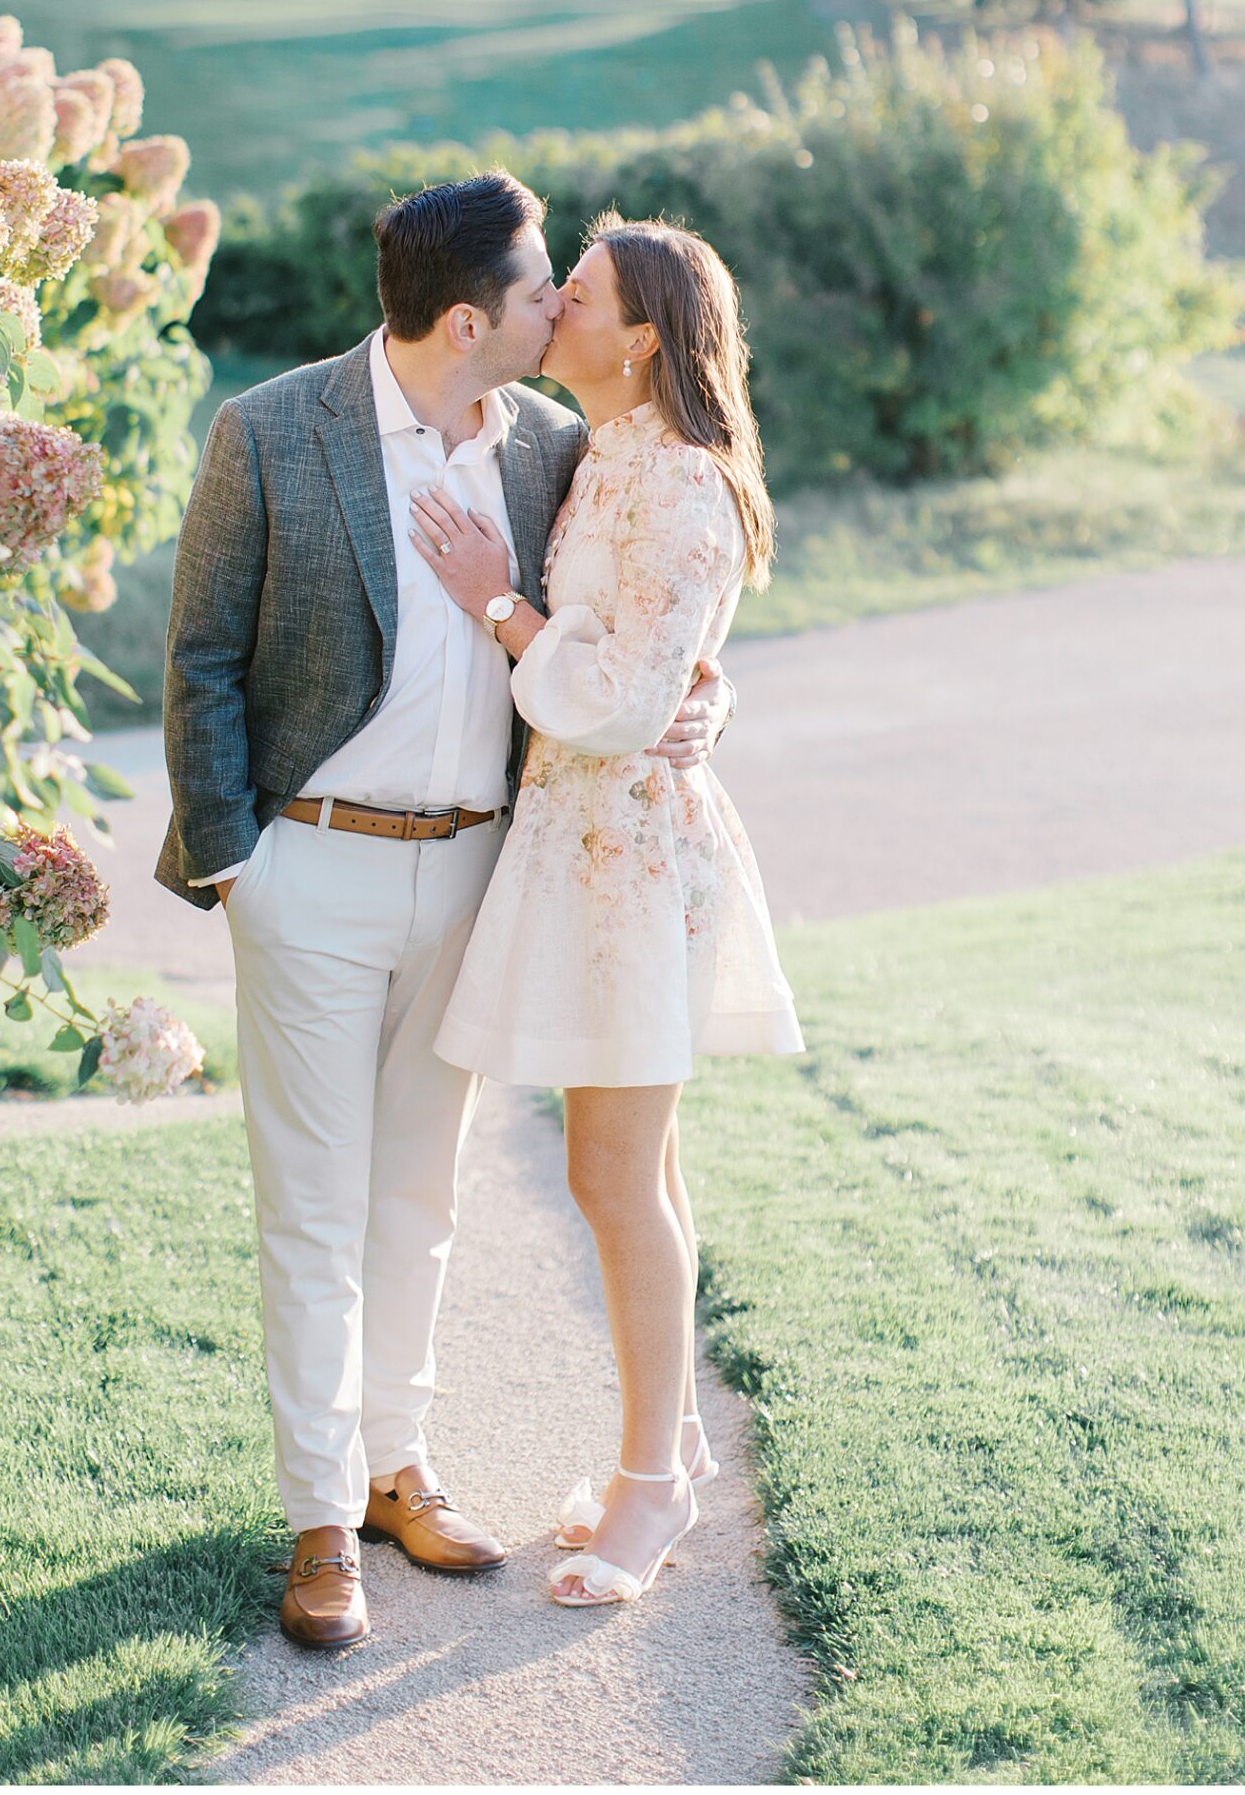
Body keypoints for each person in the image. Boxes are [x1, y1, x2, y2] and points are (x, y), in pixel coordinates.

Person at [156, 173, 736, 1650]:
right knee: (313, 1206)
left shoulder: (553, 447)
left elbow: (641, 619)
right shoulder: (271, 429)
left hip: (481, 871)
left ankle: (395, 1468)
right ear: (468, 319)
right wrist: (235, 864)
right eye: (543, 290)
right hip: (307, 869)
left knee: (420, 1196)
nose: (558, 307)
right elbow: (201, 657)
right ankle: (317, 1518)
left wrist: (702, 701)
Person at [413, 213, 805, 1610]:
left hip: (631, 857)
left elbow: (632, 697)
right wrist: (697, 682)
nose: (550, 306)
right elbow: (663, 662)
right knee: (636, 1171)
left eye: (574, 295)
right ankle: (670, 1452)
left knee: (613, 1178)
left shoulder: (682, 479)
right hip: (583, 841)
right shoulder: (597, 457)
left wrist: (499, 610)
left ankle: (652, 1486)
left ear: (639, 338)